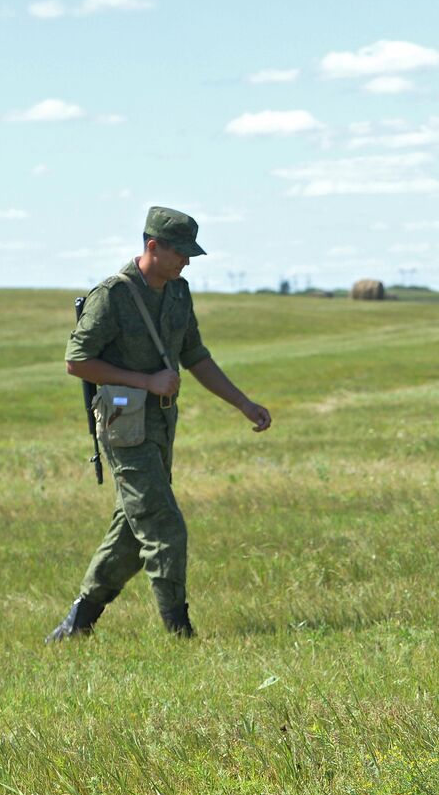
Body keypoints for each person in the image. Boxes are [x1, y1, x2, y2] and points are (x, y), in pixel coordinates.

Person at [46, 206, 272, 642]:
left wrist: (243, 404)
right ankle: (179, 633)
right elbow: (77, 363)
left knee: (133, 528)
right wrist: (146, 380)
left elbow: (196, 357)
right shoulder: (112, 295)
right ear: (153, 246)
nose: (186, 261)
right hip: (122, 425)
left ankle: (78, 623)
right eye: (180, 253)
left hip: (161, 426)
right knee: (163, 525)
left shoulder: (178, 293)